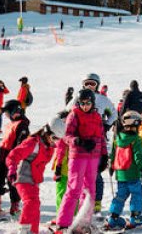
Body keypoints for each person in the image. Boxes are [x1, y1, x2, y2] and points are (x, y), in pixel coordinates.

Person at [53, 88, 105, 232]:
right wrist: (78, 141)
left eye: (87, 103)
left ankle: (83, 222)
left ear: (92, 102)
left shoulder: (97, 116)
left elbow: (101, 137)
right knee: (74, 189)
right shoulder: (74, 115)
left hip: (93, 157)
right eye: (82, 103)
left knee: (90, 191)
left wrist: (104, 155)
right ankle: (63, 222)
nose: (85, 106)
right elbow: (66, 135)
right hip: (78, 156)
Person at [8, 116, 65, 234]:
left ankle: (33, 231)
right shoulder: (33, 143)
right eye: (54, 138)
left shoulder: (49, 146)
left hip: (34, 179)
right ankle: (23, 230)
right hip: (22, 177)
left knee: (35, 205)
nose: (55, 141)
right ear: (46, 132)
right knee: (31, 202)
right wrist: (12, 169)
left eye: (58, 139)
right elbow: (13, 155)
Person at [106, 110, 142, 230]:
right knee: (137, 194)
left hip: (120, 174)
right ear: (135, 124)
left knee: (120, 196)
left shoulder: (118, 138)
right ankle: (135, 216)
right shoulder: (136, 139)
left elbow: (113, 154)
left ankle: (113, 217)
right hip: (132, 174)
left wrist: (111, 167)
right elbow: (138, 156)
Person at [0, 99, 30, 216]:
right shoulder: (11, 123)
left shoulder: (22, 125)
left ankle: (14, 205)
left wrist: (16, 157)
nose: (6, 116)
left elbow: (21, 144)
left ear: (14, 112)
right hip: (3, 154)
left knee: (12, 180)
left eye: (7, 113)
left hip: (13, 156)